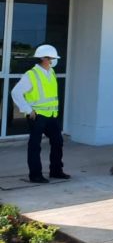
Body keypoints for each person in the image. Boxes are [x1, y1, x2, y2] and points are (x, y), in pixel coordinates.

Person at [10, 45, 69, 184]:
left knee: (58, 142)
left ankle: (56, 171)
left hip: (51, 115)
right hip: (37, 116)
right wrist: (27, 109)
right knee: (35, 145)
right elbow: (15, 93)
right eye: (52, 58)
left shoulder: (52, 72)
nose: (54, 60)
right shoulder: (32, 75)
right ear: (44, 58)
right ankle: (35, 175)